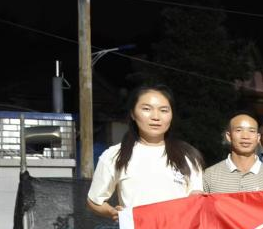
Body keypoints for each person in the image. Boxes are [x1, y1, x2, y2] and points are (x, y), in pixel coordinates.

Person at [87, 85, 204, 221]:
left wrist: (197, 197)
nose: (156, 117)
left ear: (172, 115)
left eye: (163, 110)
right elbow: (94, 201)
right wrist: (112, 212)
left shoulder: (188, 156)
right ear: (133, 113)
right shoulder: (115, 155)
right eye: (146, 109)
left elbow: (196, 196)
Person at [203, 113, 263, 196]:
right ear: (228, 136)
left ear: (258, 137)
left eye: (251, 131)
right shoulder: (209, 176)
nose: (245, 136)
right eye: (239, 130)